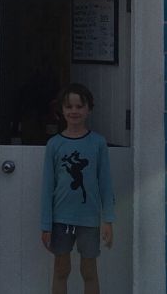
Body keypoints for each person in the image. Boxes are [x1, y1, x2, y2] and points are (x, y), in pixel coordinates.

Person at [40, 83, 114, 294]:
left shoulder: (98, 143)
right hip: (60, 219)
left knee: (89, 271)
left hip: (89, 219)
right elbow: (47, 187)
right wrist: (45, 224)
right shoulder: (54, 144)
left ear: (89, 108)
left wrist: (108, 219)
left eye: (79, 106)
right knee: (61, 270)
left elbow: (105, 184)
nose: (74, 111)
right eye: (69, 107)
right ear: (61, 110)